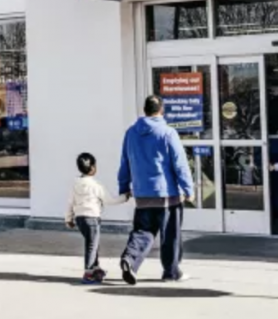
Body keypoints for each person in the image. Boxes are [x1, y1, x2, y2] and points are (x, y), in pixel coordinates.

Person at [118, 95, 195, 285]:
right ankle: (171, 272)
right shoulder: (168, 133)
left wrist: (124, 186)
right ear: (161, 110)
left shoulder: (131, 133)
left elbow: (125, 161)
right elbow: (180, 164)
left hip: (142, 193)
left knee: (143, 231)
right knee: (170, 235)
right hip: (166, 194)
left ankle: (130, 259)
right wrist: (188, 188)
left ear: (144, 110)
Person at [65, 152, 128, 284]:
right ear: (93, 167)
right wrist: (126, 197)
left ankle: (95, 268)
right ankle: (88, 272)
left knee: (92, 243)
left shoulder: (76, 183)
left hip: (80, 218)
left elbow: (70, 202)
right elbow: (110, 200)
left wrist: (68, 219)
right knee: (92, 245)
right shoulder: (96, 185)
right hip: (92, 218)